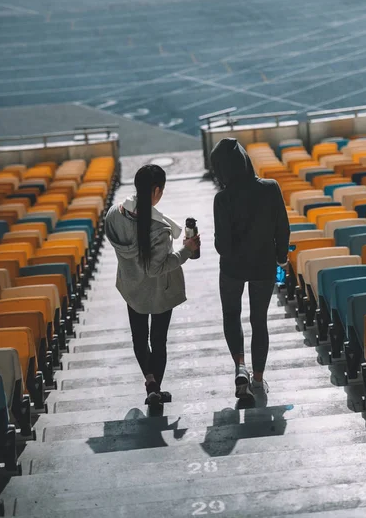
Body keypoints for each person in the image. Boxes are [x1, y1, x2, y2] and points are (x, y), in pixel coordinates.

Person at [105, 164, 200, 407]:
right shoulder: (159, 229)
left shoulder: (114, 214)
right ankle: (155, 386)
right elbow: (156, 268)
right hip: (159, 292)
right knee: (158, 340)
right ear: (156, 190)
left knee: (139, 337)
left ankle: (150, 384)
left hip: (131, 287)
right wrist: (187, 250)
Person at [210, 138, 290, 400]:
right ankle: (257, 379)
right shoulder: (270, 188)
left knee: (232, 315)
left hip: (232, 268)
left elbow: (222, 246)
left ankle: (240, 366)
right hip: (263, 266)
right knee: (259, 321)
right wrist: (280, 258)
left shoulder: (222, 199)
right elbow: (283, 228)